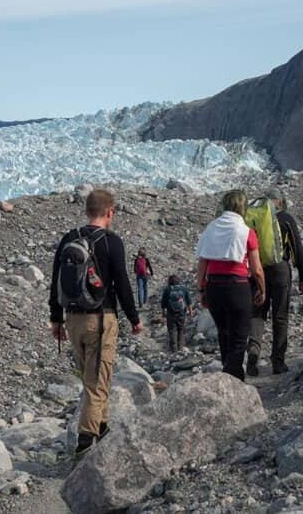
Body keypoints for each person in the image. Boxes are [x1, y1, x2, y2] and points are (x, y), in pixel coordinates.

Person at [49, 188, 143, 460]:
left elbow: (55, 281)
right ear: (110, 212)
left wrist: (56, 319)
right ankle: (85, 446)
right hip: (101, 320)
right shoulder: (111, 242)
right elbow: (123, 284)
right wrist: (134, 318)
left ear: (87, 210)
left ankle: (102, 431)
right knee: (97, 383)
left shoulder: (69, 238)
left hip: (73, 320)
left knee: (92, 380)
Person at [195, 190, 266, 381]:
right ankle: (234, 381)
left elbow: (203, 262)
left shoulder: (211, 228)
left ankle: (228, 377)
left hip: (214, 288)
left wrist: (201, 289)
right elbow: (257, 268)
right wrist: (262, 289)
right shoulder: (246, 232)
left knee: (224, 334)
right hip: (238, 287)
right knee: (239, 338)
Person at [247, 188, 303, 376]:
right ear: (280, 202)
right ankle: (278, 361)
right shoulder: (285, 219)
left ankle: (254, 350)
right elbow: (297, 248)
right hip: (280, 269)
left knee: (258, 311)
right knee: (280, 316)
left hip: (258, 269)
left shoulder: (255, 218)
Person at [160, 274, 193, 352]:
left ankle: (174, 350)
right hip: (182, 314)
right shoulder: (184, 289)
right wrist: (191, 312)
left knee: (172, 331)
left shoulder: (167, 290)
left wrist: (163, 313)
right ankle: (180, 348)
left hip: (171, 314)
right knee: (181, 330)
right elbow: (189, 302)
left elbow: (163, 303)